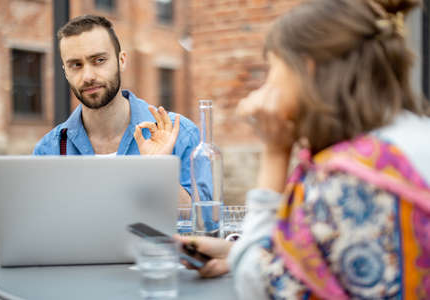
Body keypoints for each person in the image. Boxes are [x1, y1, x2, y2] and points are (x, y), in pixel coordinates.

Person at [176, 0, 430, 299]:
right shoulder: (410, 138)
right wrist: (233, 250)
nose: (267, 84)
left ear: (306, 70)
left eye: (273, 68)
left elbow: (259, 286)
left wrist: (275, 152)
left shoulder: (345, 176)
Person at [34, 15, 199, 206]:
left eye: (99, 60)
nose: (88, 76)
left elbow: (204, 224)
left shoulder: (181, 135)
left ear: (121, 61)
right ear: (65, 71)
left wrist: (159, 170)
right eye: (76, 65)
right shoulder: (49, 149)